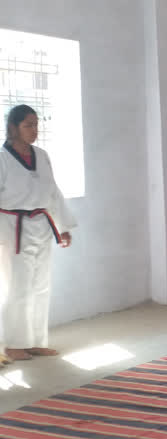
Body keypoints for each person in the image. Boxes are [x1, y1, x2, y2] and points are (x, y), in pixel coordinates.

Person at [0, 104, 76, 362]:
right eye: (28, 125)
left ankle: (35, 341)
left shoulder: (42, 155)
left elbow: (53, 192)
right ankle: (13, 344)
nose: (34, 130)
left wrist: (63, 227)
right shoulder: (2, 158)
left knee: (41, 286)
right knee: (17, 287)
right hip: (12, 228)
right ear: (13, 128)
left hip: (41, 225)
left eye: (36, 124)